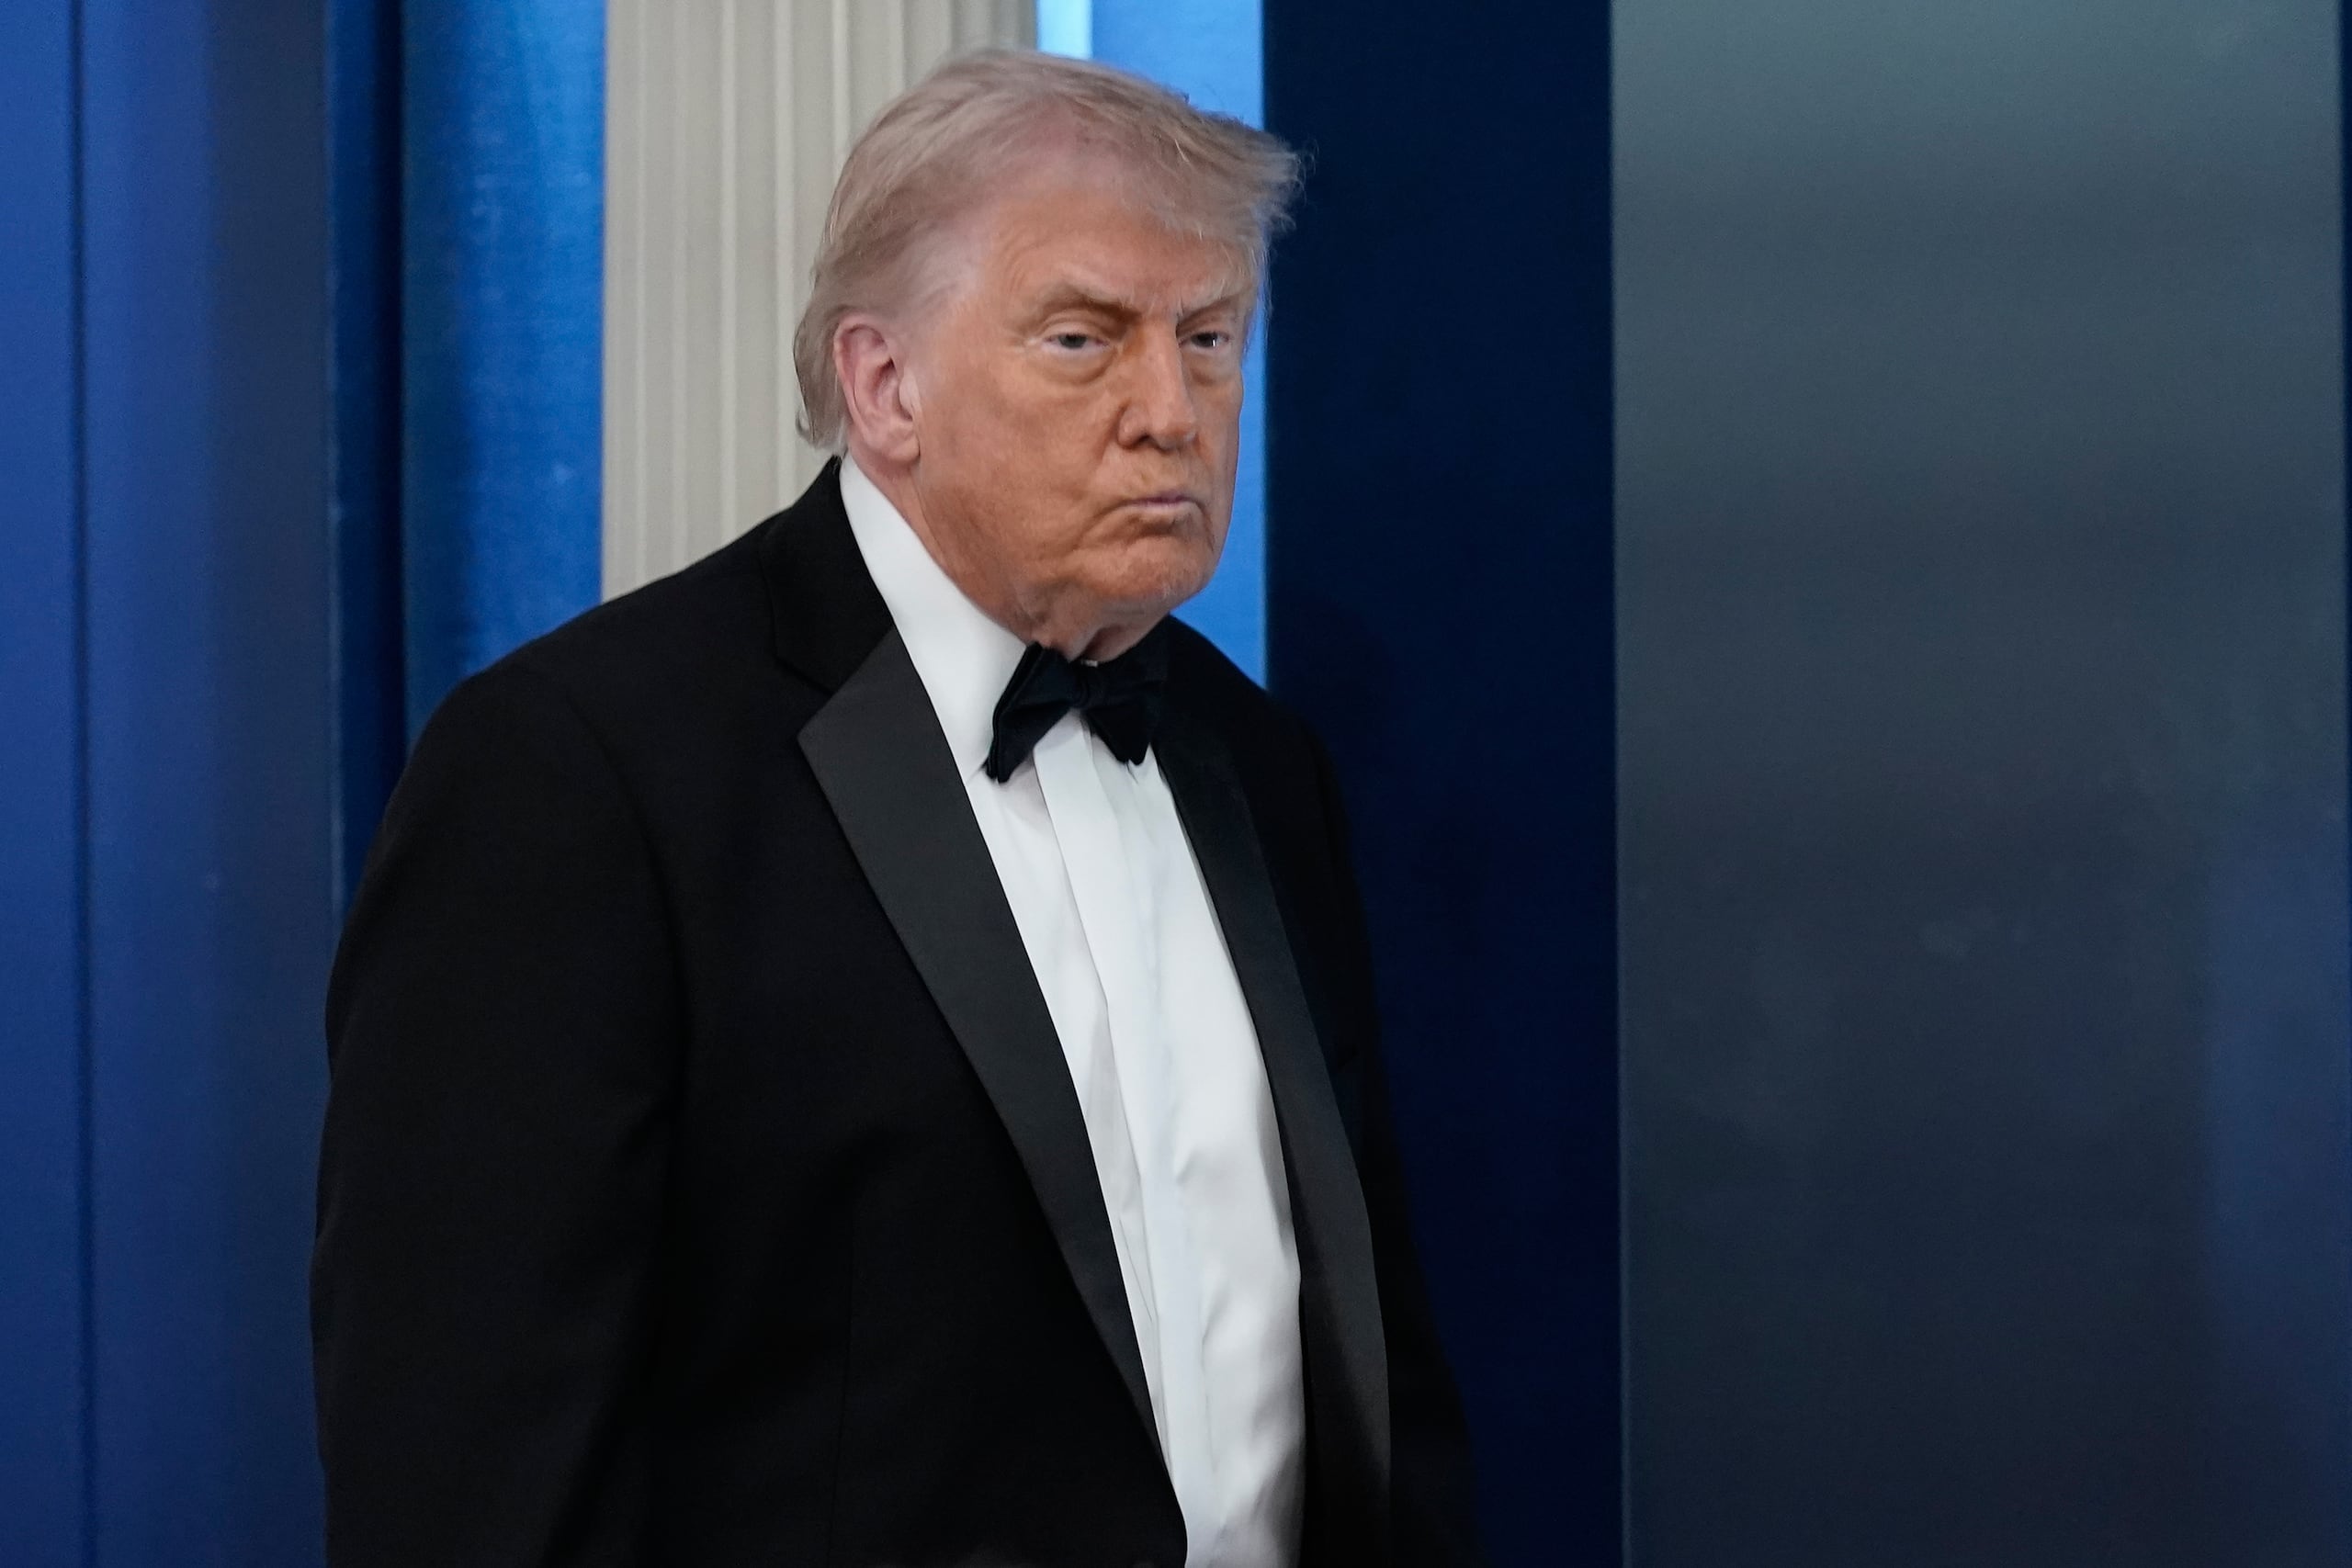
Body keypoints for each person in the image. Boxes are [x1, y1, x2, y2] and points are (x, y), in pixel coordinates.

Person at [311, 48, 1482, 1568]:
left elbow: (1366, 1355)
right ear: (884, 386)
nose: (1171, 411)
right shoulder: (579, 771)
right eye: (1083, 338)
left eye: (1210, 338)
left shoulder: (1257, 762)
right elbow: (465, 1472)